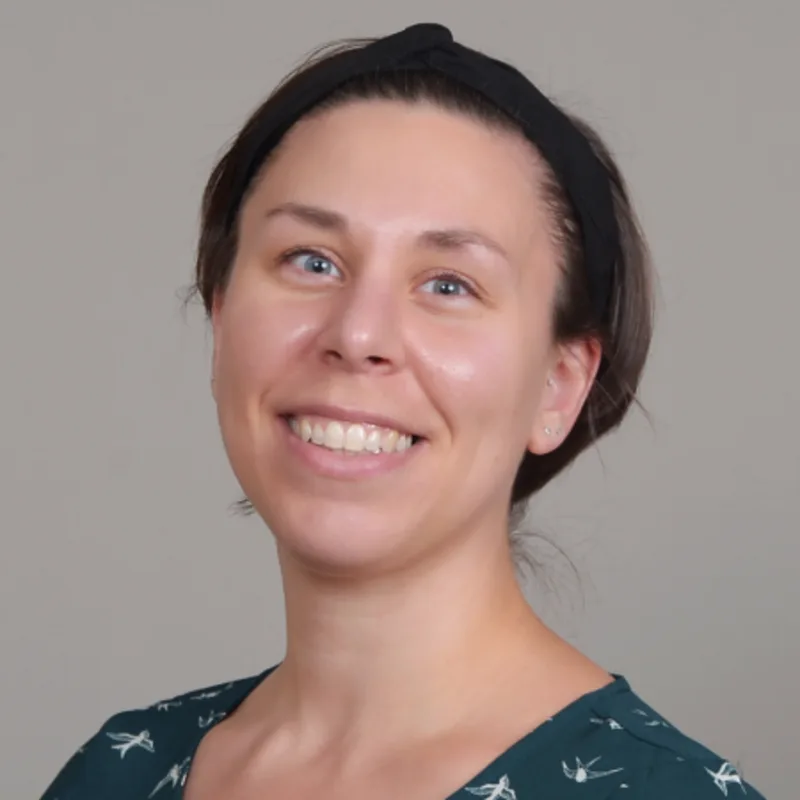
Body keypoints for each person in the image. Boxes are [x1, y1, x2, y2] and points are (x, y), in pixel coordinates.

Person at [41, 23, 766, 800]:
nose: (358, 335)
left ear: (559, 386)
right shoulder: (117, 772)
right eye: (310, 261)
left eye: (449, 283)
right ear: (221, 322)